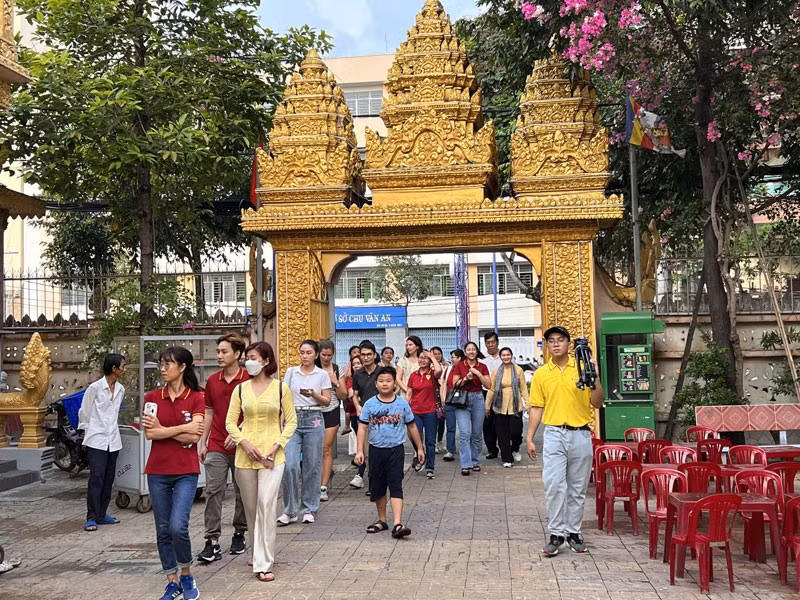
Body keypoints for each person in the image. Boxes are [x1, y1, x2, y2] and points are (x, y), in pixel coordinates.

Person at [526, 326, 604, 556]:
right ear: (547, 345)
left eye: (561, 340)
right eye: (552, 341)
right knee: (554, 485)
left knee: (577, 488)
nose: (556, 344)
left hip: (580, 433)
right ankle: (556, 533)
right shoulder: (542, 374)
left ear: (569, 344)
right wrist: (530, 438)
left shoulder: (582, 369)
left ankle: (574, 532)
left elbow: (598, 403)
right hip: (553, 434)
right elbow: (537, 408)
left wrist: (595, 376)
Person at [226, 341, 296, 583]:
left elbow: (292, 421)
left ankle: (264, 563)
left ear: (266, 361)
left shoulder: (280, 389)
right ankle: (257, 552)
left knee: (267, 505)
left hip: (272, 455)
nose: (248, 361)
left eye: (253, 357)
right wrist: (244, 443)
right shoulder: (240, 390)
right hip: (245, 455)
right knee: (252, 509)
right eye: (247, 357)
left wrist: (279, 444)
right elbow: (230, 423)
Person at [142, 347, 205, 600]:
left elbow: (195, 435)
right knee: (163, 527)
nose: (163, 368)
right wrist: (182, 429)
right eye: (161, 363)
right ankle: (171, 580)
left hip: (185, 471)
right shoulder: (152, 397)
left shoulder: (196, 397)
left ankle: (187, 574)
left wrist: (165, 429)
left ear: (182, 367)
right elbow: (150, 434)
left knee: (179, 526)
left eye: (168, 364)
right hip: (157, 470)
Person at [355, 366, 424, 539]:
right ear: (376, 384)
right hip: (376, 450)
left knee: (395, 484)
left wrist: (420, 448)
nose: (385, 384)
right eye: (381, 381)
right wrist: (359, 451)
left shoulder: (402, 404)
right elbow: (362, 428)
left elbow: (412, 426)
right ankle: (382, 520)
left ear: (395, 384)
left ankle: (398, 524)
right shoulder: (370, 404)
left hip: (396, 450)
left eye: (388, 381)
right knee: (377, 486)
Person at [197, 334, 248, 562]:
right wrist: (203, 440)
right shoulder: (212, 381)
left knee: (242, 492)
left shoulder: (249, 380)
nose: (219, 355)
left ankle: (240, 532)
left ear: (237, 354)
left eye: (224, 351)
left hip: (243, 445)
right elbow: (209, 411)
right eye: (218, 351)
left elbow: (257, 413)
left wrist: (239, 434)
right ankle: (212, 540)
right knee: (213, 490)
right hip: (217, 443)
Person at [279, 340, 331, 525]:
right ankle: (290, 509)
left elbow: (327, 401)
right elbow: (284, 398)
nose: (305, 356)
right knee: (290, 463)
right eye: (302, 352)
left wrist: (313, 394)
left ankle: (309, 508)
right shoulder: (291, 372)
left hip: (314, 416)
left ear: (315, 355)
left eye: (309, 352)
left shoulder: (322, 374)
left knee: (312, 464)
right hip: (293, 416)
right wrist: (282, 420)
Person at [78, 353, 126, 532]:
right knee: (96, 478)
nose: (125, 369)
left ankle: (102, 514)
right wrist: (87, 433)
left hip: (113, 439)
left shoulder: (120, 389)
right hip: (96, 439)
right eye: (123, 366)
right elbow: (85, 411)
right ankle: (91, 517)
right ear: (114, 369)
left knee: (108, 478)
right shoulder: (95, 388)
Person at [451, 342, 490, 476]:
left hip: (478, 399)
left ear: (477, 351)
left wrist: (478, 374)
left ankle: (475, 461)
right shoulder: (460, 366)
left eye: (474, 349)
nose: (471, 352)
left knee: (477, 433)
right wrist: (465, 379)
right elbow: (454, 384)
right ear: (465, 352)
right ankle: (465, 464)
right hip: (462, 400)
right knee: (465, 433)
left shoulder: (483, 366)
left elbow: (489, 385)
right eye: (469, 349)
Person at [485, 347, 528, 467]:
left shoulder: (518, 370)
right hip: (500, 406)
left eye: (508, 355)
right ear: (500, 357)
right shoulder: (496, 371)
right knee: (502, 434)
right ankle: (507, 459)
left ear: (511, 355)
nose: (506, 357)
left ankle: (515, 449)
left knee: (516, 431)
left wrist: (527, 404)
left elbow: (523, 388)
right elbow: (492, 389)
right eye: (503, 355)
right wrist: (487, 406)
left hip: (515, 405)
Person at [406, 351, 442, 478]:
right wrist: (404, 408)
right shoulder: (413, 375)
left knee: (430, 441)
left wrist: (432, 356)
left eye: (425, 358)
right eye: (420, 358)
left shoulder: (432, 374)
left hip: (430, 412)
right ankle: (421, 455)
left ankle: (430, 467)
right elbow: (409, 393)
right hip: (415, 411)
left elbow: (439, 371)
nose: (422, 360)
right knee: (415, 437)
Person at [317, 339, 345, 502]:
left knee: (326, 448)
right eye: (323, 355)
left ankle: (324, 486)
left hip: (332, 410)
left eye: (329, 355)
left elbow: (343, 394)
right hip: (314, 411)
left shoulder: (336, 369)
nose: (326, 358)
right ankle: (321, 476)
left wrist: (335, 382)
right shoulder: (313, 369)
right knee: (314, 449)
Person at [349, 341, 380, 489]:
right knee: (367, 451)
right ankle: (371, 481)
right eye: (363, 355)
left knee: (381, 450)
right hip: (365, 417)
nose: (366, 357)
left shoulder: (382, 372)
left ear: (375, 355)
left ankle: (379, 480)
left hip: (382, 417)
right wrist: (357, 406)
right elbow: (354, 394)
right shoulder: (357, 375)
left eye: (369, 354)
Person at [440, 349, 465, 462]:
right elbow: (444, 384)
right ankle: (450, 450)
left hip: (462, 402)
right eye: (451, 357)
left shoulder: (465, 368)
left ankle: (465, 450)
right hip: (450, 401)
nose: (452, 359)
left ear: (460, 358)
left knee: (465, 428)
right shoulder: (449, 369)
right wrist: (443, 399)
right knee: (450, 427)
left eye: (454, 357)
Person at [482, 332, 502, 460]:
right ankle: (492, 449)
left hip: (502, 394)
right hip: (486, 393)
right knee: (487, 423)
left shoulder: (505, 357)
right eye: (488, 343)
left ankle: (506, 447)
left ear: (497, 342)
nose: (490, 345)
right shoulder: (484, 361)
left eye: (492, 342)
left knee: (501, 423)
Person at [339, 345, 361, 435]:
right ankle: (347, 426)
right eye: (354, 352)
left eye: (358, 364)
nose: (356, 366)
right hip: (352, 407)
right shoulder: (349, 375)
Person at [430, 346, 447, 453]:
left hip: (443, 396)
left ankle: (440, 441)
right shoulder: (430, 366)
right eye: (435, 354)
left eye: (439, 353)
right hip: (433, 397)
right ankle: (433, 443)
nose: (437, 356)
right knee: (433, 422)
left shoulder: (446, 366)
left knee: (442, 421)